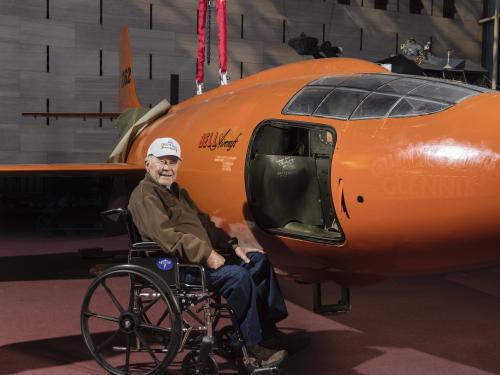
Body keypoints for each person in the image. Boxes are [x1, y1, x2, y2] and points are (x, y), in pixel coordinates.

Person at [128, 137, 288, 367]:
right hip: (177, 266)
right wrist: (206, 253)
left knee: (258, 261)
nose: (166, 167)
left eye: (172, 162)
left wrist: (233, 245)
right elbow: (167, 238)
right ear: (147, 164)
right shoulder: (145, 195)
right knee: (238, 277)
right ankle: (253, 347)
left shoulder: (176, 192)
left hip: (199, 258)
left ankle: (267, 332)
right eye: (162, 161)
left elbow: (206, 225)